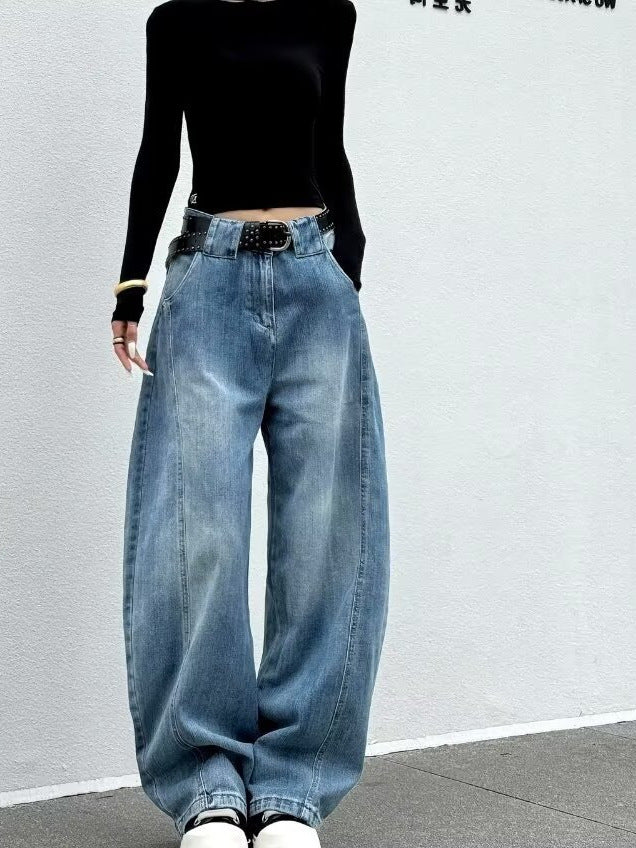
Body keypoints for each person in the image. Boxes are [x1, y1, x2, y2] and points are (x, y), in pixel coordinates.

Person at [111, 1, 390, 846]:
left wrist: (348, 266)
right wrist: (131, 285)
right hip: (209, 282)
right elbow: (160, 151)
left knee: (327, 536)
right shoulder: (178, 22)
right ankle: (208, 789)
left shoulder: (329, 15)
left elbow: (328, 145)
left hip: (316, 281)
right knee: (199, 532)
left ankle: (293, 790)